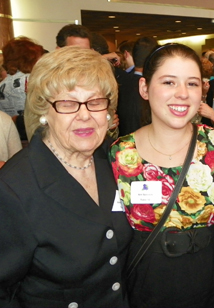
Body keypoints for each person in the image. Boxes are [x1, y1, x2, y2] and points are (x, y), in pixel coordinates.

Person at [0, 47, 132, 307]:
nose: (85, 115)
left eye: (95, 102)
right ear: (43, 112)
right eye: (68, 103)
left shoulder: (116, 161)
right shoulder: (14, 188)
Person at [109, 44, 214, 308]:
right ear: (144, 88)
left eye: (192, 84)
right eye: (168, 82)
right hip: (144, 291)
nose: (182, 94)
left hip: (209, 289)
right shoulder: (120, 154)